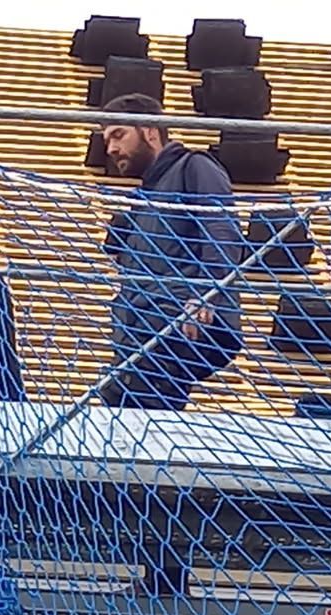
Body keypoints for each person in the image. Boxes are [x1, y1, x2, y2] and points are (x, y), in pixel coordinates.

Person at [96, 93, 245, 411]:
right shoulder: (142, 199)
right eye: (107, 140)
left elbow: (222, 230)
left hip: (174, 320)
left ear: (150, 131)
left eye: (119, 135)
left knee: (145, 401)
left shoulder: (194, 166)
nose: (111, 149)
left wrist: (207, 293)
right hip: (138, 331)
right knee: (114, 398)